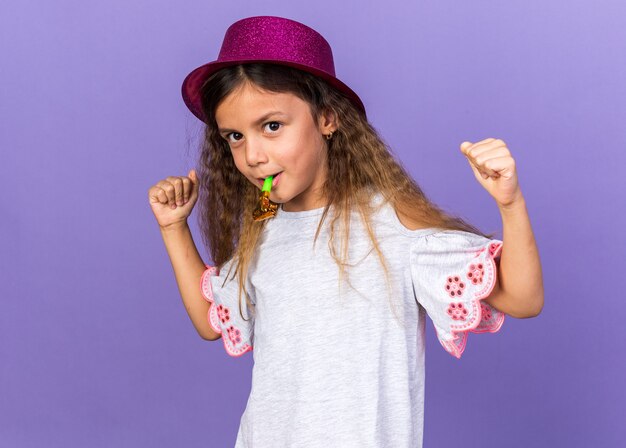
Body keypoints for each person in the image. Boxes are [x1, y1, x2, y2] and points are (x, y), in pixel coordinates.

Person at [148, 15, 544, 448]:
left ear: (328, 119)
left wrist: (511, 204)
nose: (253, 155)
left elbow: (523, 299)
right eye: (235, 137)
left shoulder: (393, 226)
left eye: (272, 126)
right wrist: (173, 228)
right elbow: (212, 321)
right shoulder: (262, 229)